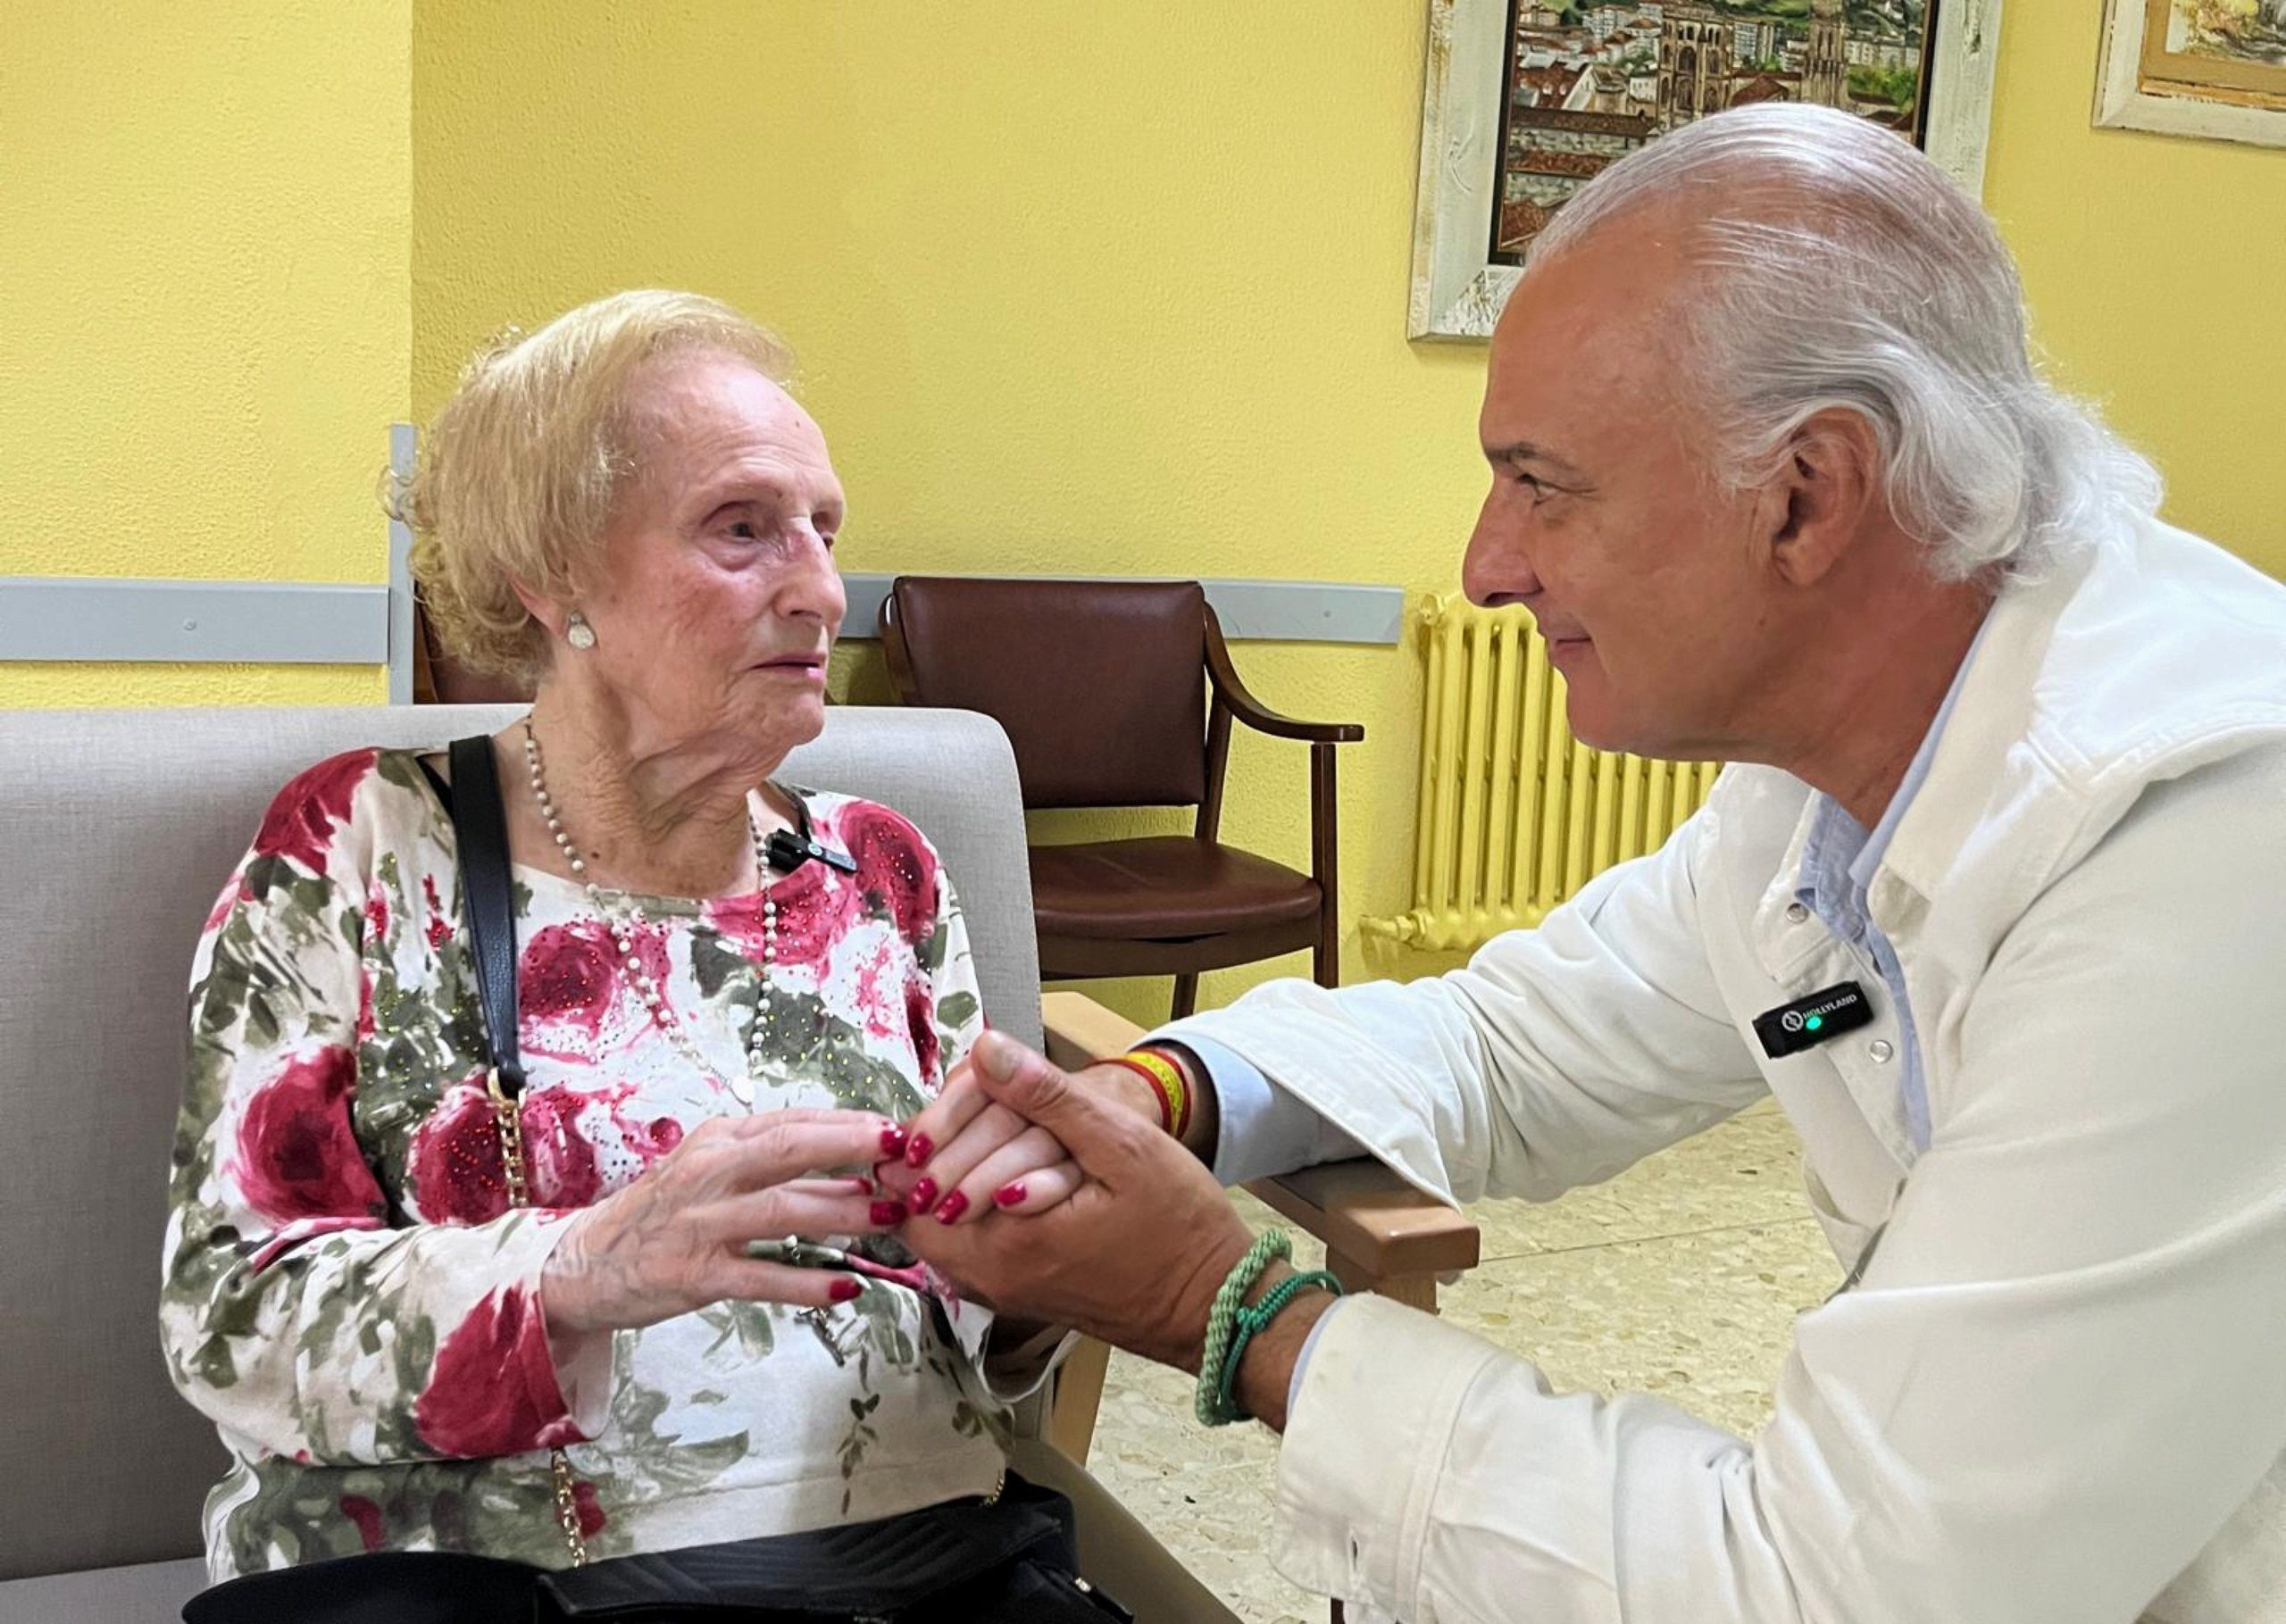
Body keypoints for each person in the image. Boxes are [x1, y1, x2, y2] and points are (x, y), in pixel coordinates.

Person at [889, 105, 2286, 1622]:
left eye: (1542, 483)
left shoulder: (2201, 839)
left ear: (1809, 493)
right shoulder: (1820, 790)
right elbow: (1515, 1040)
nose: (1487, 563)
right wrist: (1164, 1093)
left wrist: (1232, 1313)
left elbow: (1839, 1597)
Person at [158, 291, 1084, 1610]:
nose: (821, 588)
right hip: (494, 1580)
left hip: (913, 1565)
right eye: (742, 529)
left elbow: (971, 1299)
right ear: (554, 572)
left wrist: (1043, 1282)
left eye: (825, 531)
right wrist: (581, 1268)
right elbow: (231, 1321)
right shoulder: (361, 847)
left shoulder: (885, 870)